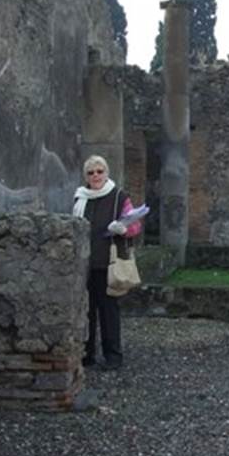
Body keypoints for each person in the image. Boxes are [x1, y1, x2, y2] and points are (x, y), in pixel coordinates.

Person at [72, 155, 142, 370]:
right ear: (86, 176)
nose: (95, 176)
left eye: (99, 171)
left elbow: (135, 225)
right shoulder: (79, 198)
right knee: (86, 312)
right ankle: (87, 354)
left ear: (107, 173)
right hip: (84, 264)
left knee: (109, 311)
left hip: (108, 263)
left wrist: (123, 229)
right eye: (91, 172)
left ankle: (113, 356)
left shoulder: (119, 196)